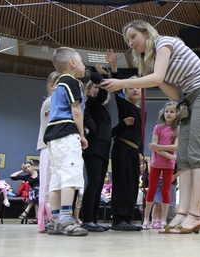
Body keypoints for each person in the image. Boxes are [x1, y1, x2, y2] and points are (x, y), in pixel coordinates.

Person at [102, 20, 200, 234]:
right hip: (188, 100)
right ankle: (183, 212)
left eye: (133, 37)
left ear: (146, 33)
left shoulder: (164, 43)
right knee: (184, 159)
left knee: (197, 154)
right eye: (127, 40)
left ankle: (196, 214)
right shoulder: (158, 62)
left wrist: (123, 83)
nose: (130, 43)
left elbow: (157, 77)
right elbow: (175, 94)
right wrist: (157, 81)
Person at [43, 46, 88, 236]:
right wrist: (82, 135)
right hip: (66, 132)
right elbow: (76, 109)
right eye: (81, 61)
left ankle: (53, 220)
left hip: (52, 135)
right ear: (72, 63)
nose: (84, 65)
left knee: (57, 177)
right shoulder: (71, 81)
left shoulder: (58, 86)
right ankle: (66, 219)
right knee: (71, 174)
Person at [80, 61, 115, 233]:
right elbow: (101, 95)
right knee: (93, 183)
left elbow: (107, 131)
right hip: (93, 148)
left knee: (99, 184)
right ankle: (87, 220)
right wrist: (101, 76)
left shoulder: (102, 110)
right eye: (94, 87)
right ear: (88, 91)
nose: (97, 89)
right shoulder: (90, 104)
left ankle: (93, 220)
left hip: (103, 148)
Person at [109, 76, 144, 231]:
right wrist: (115, 70)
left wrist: (141, 153)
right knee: (122, 184)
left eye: (138, 87)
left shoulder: (141, 111)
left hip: (134, 151)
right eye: (131, 88)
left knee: (132, 185)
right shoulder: (124, 105)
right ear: (126, 91)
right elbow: (117, 92)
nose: (135, 89)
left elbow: (140, 134)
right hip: (122, 148)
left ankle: (128, 218)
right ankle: (118, 220)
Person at [142, 101, 179, 230]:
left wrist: (157, 147)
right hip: (156, 163)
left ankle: (163, 219)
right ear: (163, 113)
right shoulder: (158, 127)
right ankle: (146, 219)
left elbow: (175, 146)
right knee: (151, 190)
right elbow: (153, 147)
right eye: (167, 111)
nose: (169, 114)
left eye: (172, 112)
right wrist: (169, 155)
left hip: (169, 165)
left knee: (166, 191)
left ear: (176, 114)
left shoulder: (177, 129)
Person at [36, 70, 60, 232]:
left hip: (57, 148)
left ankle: (54, 218)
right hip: (48, 147)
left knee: (55, 184)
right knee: (47, 184)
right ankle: (46, 220)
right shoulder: (51, 102)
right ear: (52, 86)